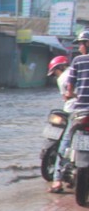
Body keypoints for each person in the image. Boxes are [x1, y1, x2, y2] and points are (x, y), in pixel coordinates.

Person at [55, 32, 89, 193]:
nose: (80, 46)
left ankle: (57, 180)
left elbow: (69, 87)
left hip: (80, 110)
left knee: (66, 141)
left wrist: (71, 94)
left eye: (81, 43)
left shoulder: (77, 60)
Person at [47, 55, 74, 193]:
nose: (55, 75)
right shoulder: (77, 70)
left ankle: (57, 180)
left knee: (65, 143)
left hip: (72, 112)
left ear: (60, 68)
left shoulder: (63, 78)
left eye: (55, 71)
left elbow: (66, 97)